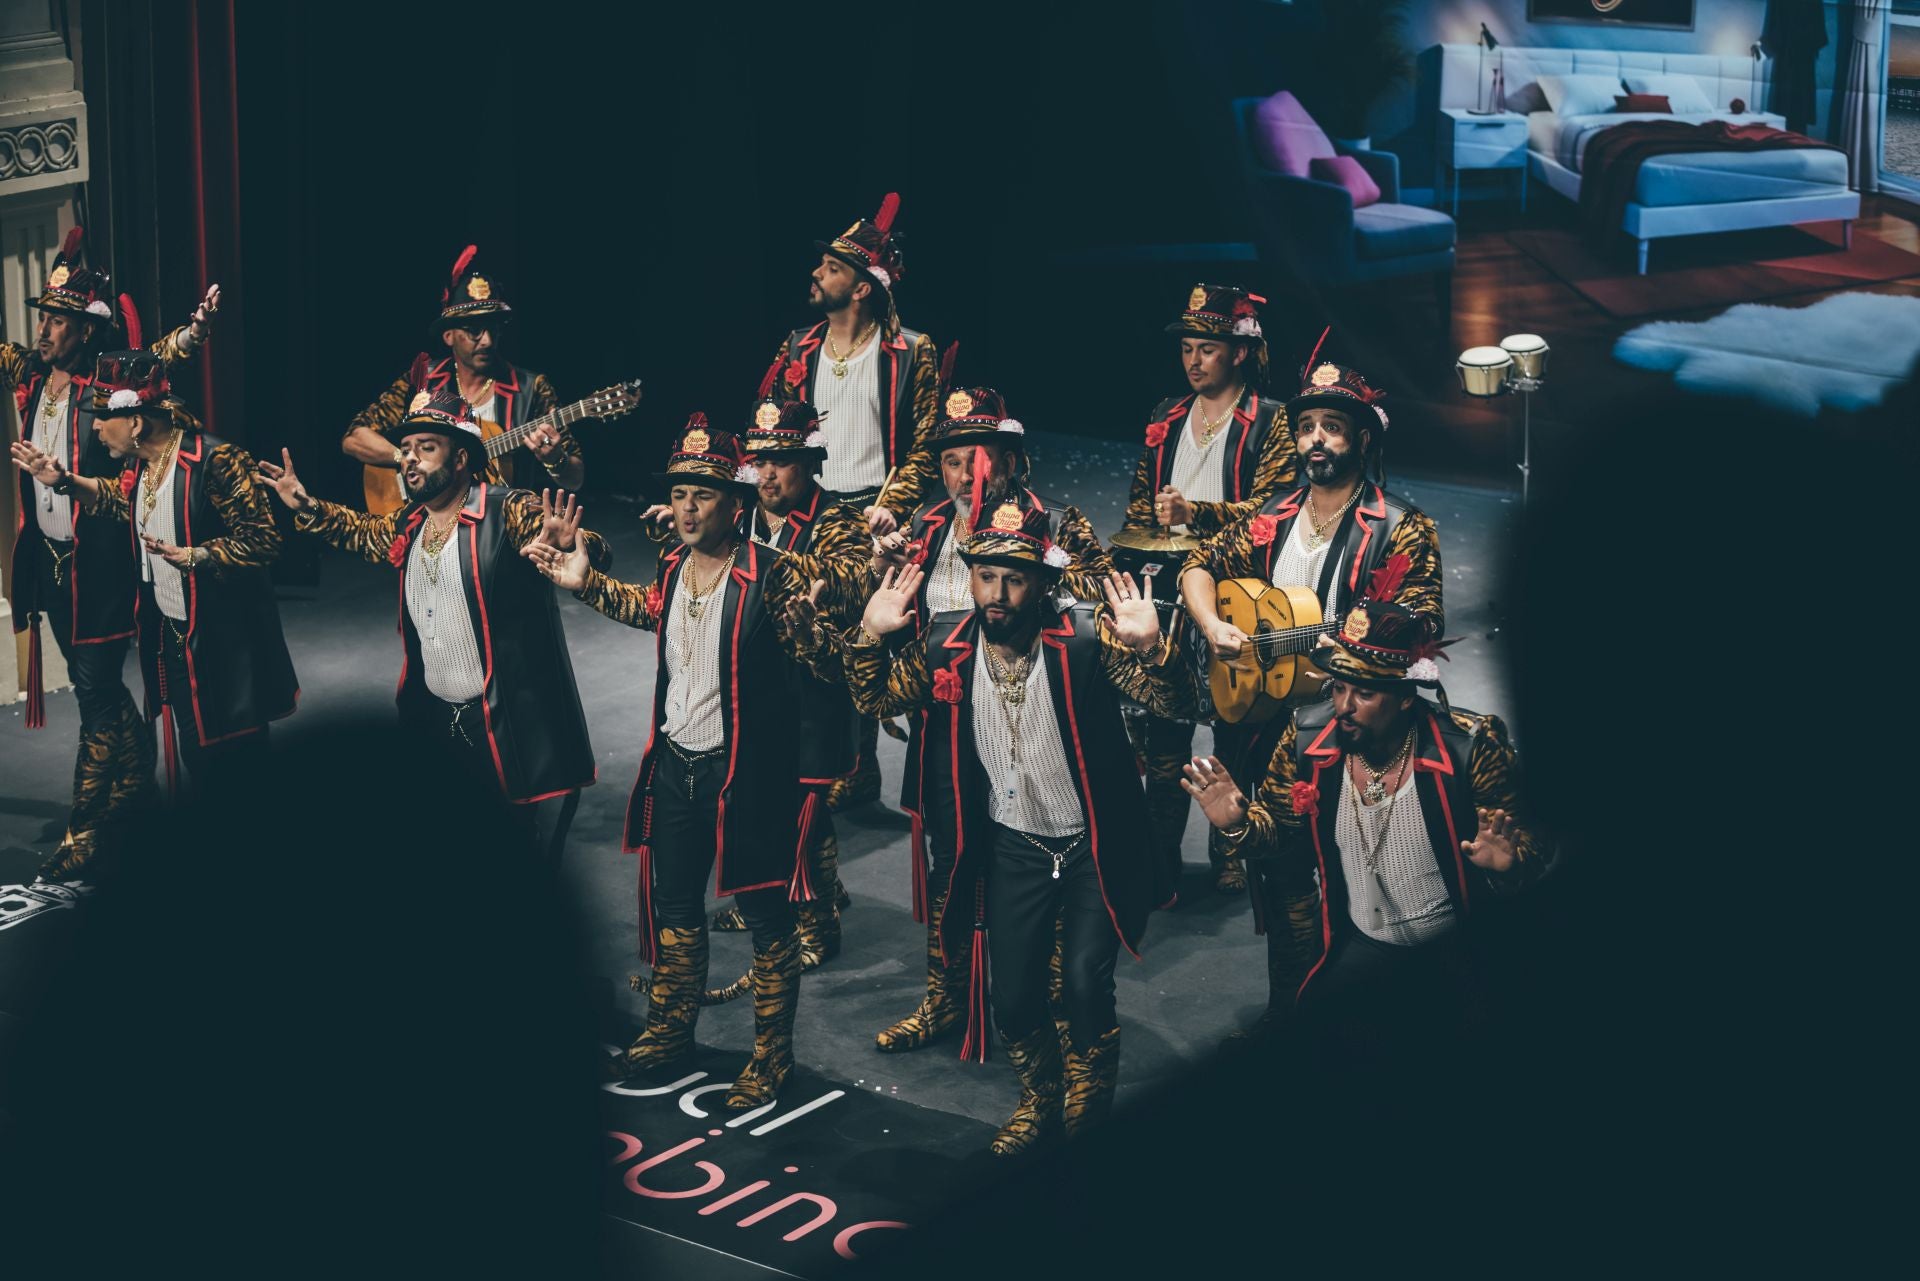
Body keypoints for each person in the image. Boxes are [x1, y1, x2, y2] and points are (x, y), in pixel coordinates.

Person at [842, 505, 1190, 1155]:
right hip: (1012, 845)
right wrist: (868, 632)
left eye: (1014, 580)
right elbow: (874, 699)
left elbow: (1177, 705)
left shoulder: (1086, 640)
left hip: (1089, 845)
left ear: (1042, 583)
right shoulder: (947, 643)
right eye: (985, 577)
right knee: (1015, 996)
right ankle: (1040, 1098)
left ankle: (1086, 1118)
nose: (997, 596)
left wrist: (1156, 649)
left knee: (1085, 979)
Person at [523, 419, 839, 1110]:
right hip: (676, 765)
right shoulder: (672, 566)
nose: (688, 508)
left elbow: (821, 655)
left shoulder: (775, 573)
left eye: (704, 494)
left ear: (736, 503)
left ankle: (771, 1057)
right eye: (681, 493)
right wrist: (586, 582)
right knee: (675, 909)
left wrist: (818, 633)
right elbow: (651, 610)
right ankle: (672, 1030)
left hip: (745, 775)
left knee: (765, 917)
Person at [1177, 345, 1443, 1041]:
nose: (1315, 439)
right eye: (1305, 426)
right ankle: (1287, 1016)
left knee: (1359, 879)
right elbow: (1201, 567)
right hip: (1265, 723)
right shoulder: (1271, 514)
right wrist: (1213, 626)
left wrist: (1355, 653)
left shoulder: (1398, 526)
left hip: (1353, 732)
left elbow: (1425, 623)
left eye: (1331, 425)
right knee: (1286, 881)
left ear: (1361, 436)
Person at [1181, 572, 1544, 1066]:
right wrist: (1236, 822)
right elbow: (1278, 833)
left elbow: (1533, 855)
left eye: (1365, 695)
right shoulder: (1308, 738)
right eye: (1338, 688)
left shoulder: (1469, 748)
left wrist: (1507, 867)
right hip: (1362, 943)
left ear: (1404, 697)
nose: (1344, 708)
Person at [862, 383, 1114, 1057]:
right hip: (947, 721)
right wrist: (878, 578)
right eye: (950, 462)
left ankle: (1053, 1008)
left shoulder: (1056, 522)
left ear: (1009, 460)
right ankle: (946, 995)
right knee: (951, 863)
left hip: (1035, 715)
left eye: (978, 458)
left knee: (1038, 858)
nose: (965, 474)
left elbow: (1101, 604)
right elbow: (896, 612)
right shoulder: (928, 524)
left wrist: (1046, 575)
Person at [259, 386, 604, 853]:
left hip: (500, 720)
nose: (410, 460)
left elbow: (585, 546)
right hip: (437, 718)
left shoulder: (508, 509)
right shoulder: (412, 521)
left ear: (460, 458)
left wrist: (570, 546)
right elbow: (365, 531)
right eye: (405, 450)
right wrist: (305, 504)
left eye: (426, 448)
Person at [1, 225, 220, 878]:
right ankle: (133, 779)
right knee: (93, 686)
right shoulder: (36, 374)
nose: (46, 331)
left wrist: (196, 331)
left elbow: (162, 354)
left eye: (61, 322)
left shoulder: (111, 388)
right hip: (49, 562)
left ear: (87, 328)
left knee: (93, 698)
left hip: (98, 567)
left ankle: (84, 827)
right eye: (45, 319)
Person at [13, 348, 296, 795]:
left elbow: (264, 541)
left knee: (237, 769)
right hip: (172, 640)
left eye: (105, 417)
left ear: (138, 423)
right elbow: (116, 500)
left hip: (222, 646)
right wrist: (65, 481)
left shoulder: (216, 461)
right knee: (196, 761)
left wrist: (198, 556)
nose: (97, 427)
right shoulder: (141, 466)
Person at [762, 195, 939, 809]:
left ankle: (926, 782)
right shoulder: (799, 349)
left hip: (878, 512)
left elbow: (926, 445)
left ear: (863, 287)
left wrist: (893, 503)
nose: (818, 274)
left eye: (833, 268)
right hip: (815, 510)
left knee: (894, 635)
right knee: (828, 632)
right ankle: (853, 764)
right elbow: (775, 430)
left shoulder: (911, 352)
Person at [1123, 284, 1296, 897]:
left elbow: (1273, 511)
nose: (1195, 362)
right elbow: (1143, 506)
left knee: (1235, 728)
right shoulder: (1166, 416)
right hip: (1168, 587)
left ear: (1240, 354)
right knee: (1164, 734)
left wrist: (1196, 512)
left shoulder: (1271, 421)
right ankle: (1160, 863)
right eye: (1189, 350)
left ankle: (1233, 850)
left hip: (1233, 591)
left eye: (1208, 350)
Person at [704, 398, 873, 974]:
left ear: (812, 462)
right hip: (753, 690)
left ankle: (819, 925)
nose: (768, 473)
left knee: (805, 809)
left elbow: (851, 585)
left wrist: (750, 556)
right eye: (760, 460)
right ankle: (770, 897)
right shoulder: (742, 513)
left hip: (812, 691)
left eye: (783, 460)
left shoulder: (838, 520)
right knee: (757, 796)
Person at [340, 246, 583, 509]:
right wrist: (410, 457)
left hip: (500, 528)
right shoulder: (423, 378)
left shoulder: (532, 388)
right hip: (424, 523)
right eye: (474, 330)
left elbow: (575, 478)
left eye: (494, 329)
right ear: (449, 336)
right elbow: (354, 438)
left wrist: (556, 460)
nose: (487, 341)